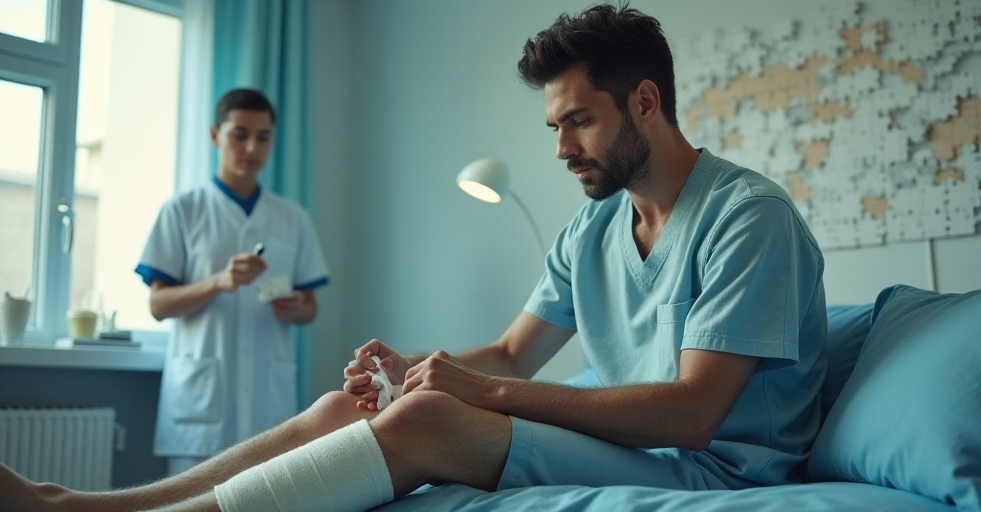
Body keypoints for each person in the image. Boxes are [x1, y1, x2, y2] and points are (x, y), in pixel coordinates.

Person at [0, 4, 825, 511]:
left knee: (428, 418)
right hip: (639, 448)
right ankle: (77, 505)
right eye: (553, 129)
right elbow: (508, 350)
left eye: (579, 122)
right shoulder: (593, 230)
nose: (562, 148)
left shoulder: (746, 218)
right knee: (350, 405)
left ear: (645, 102)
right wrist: (410, 367)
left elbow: (691, 413)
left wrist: (480, 393)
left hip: (712, 472)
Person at [133, 88, 331, 474]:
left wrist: (296, 307)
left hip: (267, 401)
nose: (252, 147)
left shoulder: (293, 218)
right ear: (214, 136)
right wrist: (218, 282)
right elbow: (158, 306)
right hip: (201, 406)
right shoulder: (182, 210)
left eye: (263, 137)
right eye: (239, 134)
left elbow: (310, 307)